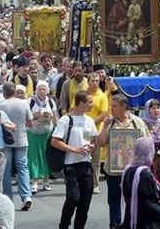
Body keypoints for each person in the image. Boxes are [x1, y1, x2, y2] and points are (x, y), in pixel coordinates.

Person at [98, 94, 149, 228]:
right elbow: (101, 142)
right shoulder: (110, 122)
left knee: (132, 201)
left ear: (123, 107)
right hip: (114, 171)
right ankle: (115, 225)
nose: (111, 109)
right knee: (114, 201)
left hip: (133, 172)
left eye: (114, 106)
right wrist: (105, 127)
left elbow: (146, 143)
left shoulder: (137, 122)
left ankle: (130, 225)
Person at [51, 91, 98, 229]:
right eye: (90, 102)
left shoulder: (89, 120)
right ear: (81, 103)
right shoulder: (66, 120)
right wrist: (74, 149)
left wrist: (91, 146)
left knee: (85, 201)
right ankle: (64, 225)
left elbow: (93, 140)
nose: (92, 105)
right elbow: (55, 141)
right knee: (73, 198)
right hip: (70, 164)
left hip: (85, 164)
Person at [0, 82, 33, 210]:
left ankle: (8, 199)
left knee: (6, 171)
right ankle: (26, 196)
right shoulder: (24, 104)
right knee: (23, 168)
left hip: (6, 141)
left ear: (4, 92)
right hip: (21, 139)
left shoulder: (0, 106)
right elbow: (29, 123)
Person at [121, 136, 160, 229]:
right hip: (146, 222)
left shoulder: (128, 169)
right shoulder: (143, 173)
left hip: (131, 218)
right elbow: (145, 201)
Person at [27, 80, 58, 193]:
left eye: (44, 89)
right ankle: (34, 183)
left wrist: (57, 130)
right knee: (34, 157)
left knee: (47, 157)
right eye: (40, 89)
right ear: (36, 90)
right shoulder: (30, 101)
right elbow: (26, 117)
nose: (42, 91)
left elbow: (55, 118)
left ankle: (46, 182)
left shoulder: (50, 102)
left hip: (47, 132)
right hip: (33, 132)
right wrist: (35, 115)